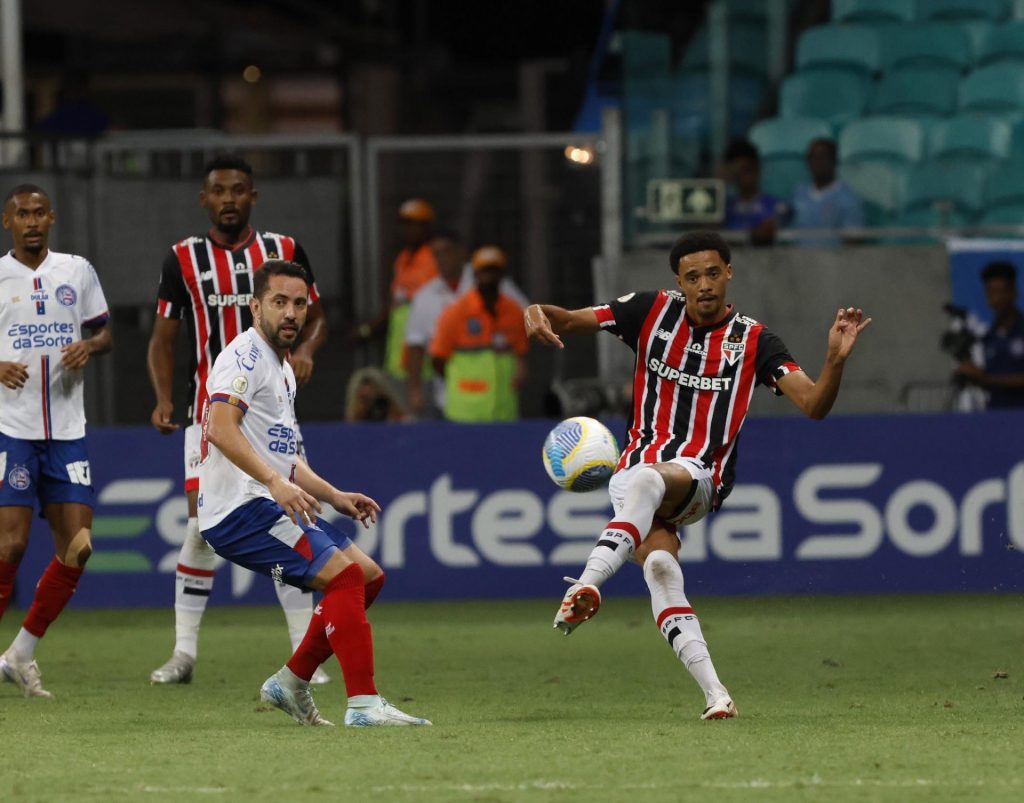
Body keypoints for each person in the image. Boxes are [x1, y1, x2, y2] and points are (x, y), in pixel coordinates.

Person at [524, 231, 870, 720]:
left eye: (713, 273)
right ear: (678, 282)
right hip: (635, 470)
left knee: (647, 481)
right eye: (693, 277)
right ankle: (717, 694)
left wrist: (834, 360)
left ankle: (586, 584)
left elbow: (813, 404)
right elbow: (568, 318)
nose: (704, 284)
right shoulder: (648, 312)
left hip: (700, 477)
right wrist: (533, 311)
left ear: (728, 273)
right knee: (662, 570)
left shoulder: (755, 340)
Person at [199, 258, 430, 727]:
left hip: (264, 497)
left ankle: (289, 682)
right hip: (239, 508)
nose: (290, 313)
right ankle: (364, 704)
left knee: (367, 578)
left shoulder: (281, 368)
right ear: (254, 306)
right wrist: (272, 482)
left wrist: (333, 494)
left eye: (299, 304)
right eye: (279, 302)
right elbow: (220, 427)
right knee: (344, 578)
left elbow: (286, 456)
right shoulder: (243, 358)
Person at [147, 154, 329, 685]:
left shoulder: (285, 251)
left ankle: (302, 651)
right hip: (209, 414)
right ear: (204, 199)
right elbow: (164, 338)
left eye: (239, 189)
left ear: (254, 197)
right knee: (201, 527)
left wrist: (311, 349)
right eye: (219, 190)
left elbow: (317, 314)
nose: (229, 198)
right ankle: (183, 654)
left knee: (288, 515)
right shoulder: (182, 258)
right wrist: (163, 397)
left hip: (272, 412)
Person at [0, 184, 113, 697]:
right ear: (9, 222)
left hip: (68, 430)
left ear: (52, 218)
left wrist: (88, 346)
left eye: (39, 213)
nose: (31, 221)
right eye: (22, 214)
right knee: (12, 545)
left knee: (79, 547)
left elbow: (105, 333)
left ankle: (21, 653)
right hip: (14, 430)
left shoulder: (77, 270)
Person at [405, 230, 528, 418]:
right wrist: (416, 389)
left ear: (460, 252)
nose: (441, 259)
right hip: (454, 398)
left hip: (502, 400)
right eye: (436, 254)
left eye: (445, 251)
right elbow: (418, 347)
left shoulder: (494, 284)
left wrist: (520, 361)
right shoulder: (426, 297)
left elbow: (525, 322)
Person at [354, 198, 439, 382]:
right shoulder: (403, 259)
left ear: (426, 227)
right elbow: (395, 303)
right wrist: (368, 330)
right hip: (398, 351)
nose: (407, 230)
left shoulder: (435, 259)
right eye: (404, 224)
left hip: (424, 353)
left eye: (413, 224)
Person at [956, 261, 1024, 408]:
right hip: (996, 417)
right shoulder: (990, 336)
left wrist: (988, 379)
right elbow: (989, 381)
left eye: (1001, 292)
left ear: (1014, 292)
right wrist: (973, 375)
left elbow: (991, 379)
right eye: (991, 292)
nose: (996, 299)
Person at [791, 138, 864, 246]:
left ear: (835, 160)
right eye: (813, 157)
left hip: (834, 261)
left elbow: (854, 241)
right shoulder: (798, 193)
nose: (818, 162)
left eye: (823, 157)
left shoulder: (849, 198)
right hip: (796, 259)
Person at [721, 139, 787, 246]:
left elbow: (767, 234)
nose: (741, 176)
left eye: (746, 170)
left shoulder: (776, 206)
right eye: (737, 172)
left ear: (757, 170)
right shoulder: (726, 209)